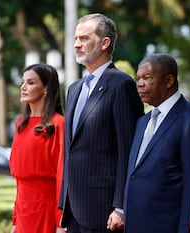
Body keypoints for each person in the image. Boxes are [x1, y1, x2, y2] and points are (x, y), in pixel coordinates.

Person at [59, 13, 144, 233]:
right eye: (76, 39)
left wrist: (121, 207)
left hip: (105, 210)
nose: (77, 44)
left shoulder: (121, 84)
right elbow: (71, 150)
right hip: (74, 209)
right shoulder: (74, 89)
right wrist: (63, 204)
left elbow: (128, 150)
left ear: (105, 43)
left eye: (84, 38)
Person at [123, 53, 190, 233]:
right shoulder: (143, 122)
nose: (139, 84)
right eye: (138, 78)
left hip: (166, 226)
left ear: (169, 80)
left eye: (147, 78)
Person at [9, 63, 65, 233]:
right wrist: (15, 219)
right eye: (23, 82)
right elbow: (20, 183)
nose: (23, 87)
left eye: (31, 83)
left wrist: (59, 221)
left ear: (46, 89)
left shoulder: (58, 124)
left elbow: (62, 177)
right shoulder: (20, 124)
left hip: (46, 209)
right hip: (23, 211)